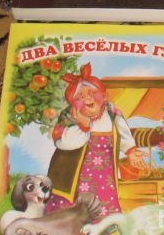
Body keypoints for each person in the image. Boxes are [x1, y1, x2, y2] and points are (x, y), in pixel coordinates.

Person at [45, 63, 147, 217]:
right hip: (75, 179)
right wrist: (83, 126)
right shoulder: (70, 116)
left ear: (104, 96)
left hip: (105, 177)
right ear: (72, 103)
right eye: (80, 96)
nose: (87, 98)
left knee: (104, 208)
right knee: (73, 212)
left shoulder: (111, 112)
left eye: (92, 92)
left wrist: (130, 151)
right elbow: (62, 143)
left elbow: (123, 132)